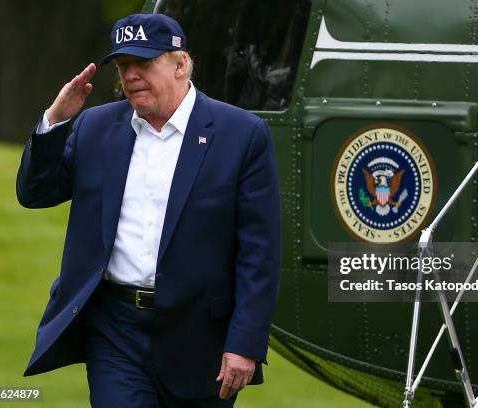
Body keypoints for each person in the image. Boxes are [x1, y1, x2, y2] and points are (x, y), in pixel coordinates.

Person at [16, 13, 281, 408]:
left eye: (143, 63)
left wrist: (245, 344)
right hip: (114, 331)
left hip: (200, 335)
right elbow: (35, 193)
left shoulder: (241, 134)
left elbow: (259, 252)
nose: (131, 75)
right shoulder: (95, 126)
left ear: (180, 64)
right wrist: (55, 120)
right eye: (124, 66)